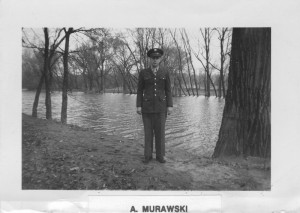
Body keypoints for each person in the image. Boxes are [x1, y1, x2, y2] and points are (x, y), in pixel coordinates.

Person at [136, 48, 173, 164]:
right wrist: (138, 105)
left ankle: (160, 156)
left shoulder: (165, 72)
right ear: (150, 59)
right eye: (153, 58)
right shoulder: (143, 73)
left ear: (160, 59)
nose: (155, 60)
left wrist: (170, 105)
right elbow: (139, 90)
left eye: (157, 58)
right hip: (146, 108)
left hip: (161, 108)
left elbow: (168, 90)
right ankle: (147, 156)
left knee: (160, 133)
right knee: (148, 133)